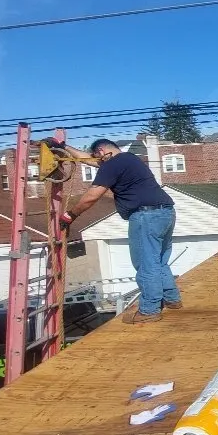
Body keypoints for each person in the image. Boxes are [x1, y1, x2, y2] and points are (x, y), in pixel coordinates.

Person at [49, 138, 182, 324]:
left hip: (145, 217)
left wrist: (70, 215)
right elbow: (87, 159)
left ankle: (150, 310)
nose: (97, 161)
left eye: (97, 157)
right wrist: (63, 147)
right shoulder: (128, 159)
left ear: (102, 151)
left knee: (146, 264)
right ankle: (172, 299)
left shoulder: (112, 164)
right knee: (159, 260)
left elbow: (92, 196)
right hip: (166, 212)